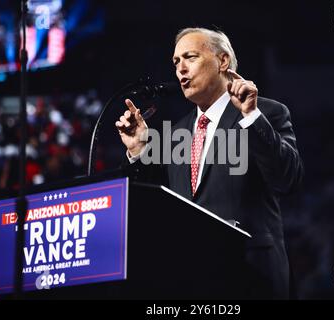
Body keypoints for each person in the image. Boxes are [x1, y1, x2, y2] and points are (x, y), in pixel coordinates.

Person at [115, 27, 303, 299]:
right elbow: (160, 207)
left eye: (190, 57)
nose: (180, 69)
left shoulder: (267, 112)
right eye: (176, 62)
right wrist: (139, 150)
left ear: (223, 61)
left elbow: (288, 180)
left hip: (251, 278)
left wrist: (251, 117)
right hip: (193, 282)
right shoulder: (176, 133)